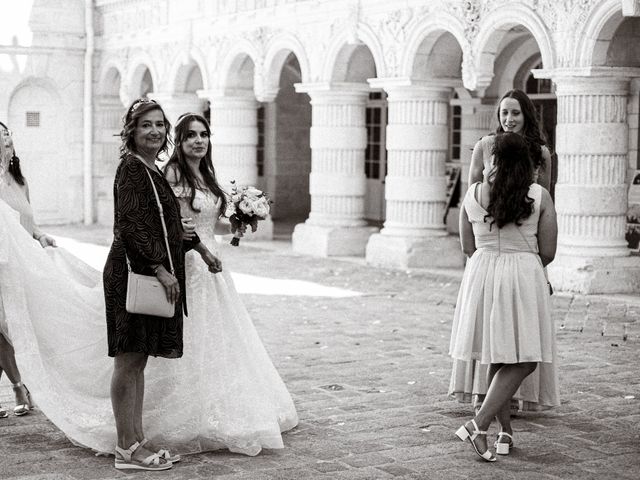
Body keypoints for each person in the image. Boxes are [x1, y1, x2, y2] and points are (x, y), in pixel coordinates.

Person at [141, 112, 298, 456]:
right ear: (179, 142)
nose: (198, 140)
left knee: (221, 336)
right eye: (190, 136)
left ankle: (221, 402)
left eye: (204, 134)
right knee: (192, 333)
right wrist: (205, 254)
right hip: (191, 262)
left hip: (213, 262)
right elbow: (183, 226)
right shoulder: (175, 174)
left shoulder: (206, 175)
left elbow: (210, 222)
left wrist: (239, 222)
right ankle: (179, 411)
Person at [103, 99, 221, 471]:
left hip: (145, 270)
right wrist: (159, 267)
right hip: (133, 273)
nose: (154, 131)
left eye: (159, 125)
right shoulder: (132, 169)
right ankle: (126, 450)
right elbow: (130, 224)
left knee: (137, 360)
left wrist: (196, 247)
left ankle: (136, 441)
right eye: (146, 125)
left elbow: (165, 224)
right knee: (128, 360)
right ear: (132, 131)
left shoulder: (150, 169)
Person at [450, 132, 558, 461]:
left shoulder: (473, 193)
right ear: (528, 164)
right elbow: (549, 251)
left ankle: (501, 432)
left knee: (497, 354)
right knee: (525, 358)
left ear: (494, 160)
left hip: (481, 273)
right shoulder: (538, 195)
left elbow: (467, 246)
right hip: (522, 275)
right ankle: (478, 424)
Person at [0, 121, 57, 419]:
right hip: (1, 262)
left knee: (12, 327)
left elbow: (28, 220)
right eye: (1, 139)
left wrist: (40, 235)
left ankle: (20, 385)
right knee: (3, 327)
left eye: (8, 138)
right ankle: (19, 386)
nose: (6, 143)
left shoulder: (20, 181)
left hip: (23, 264)